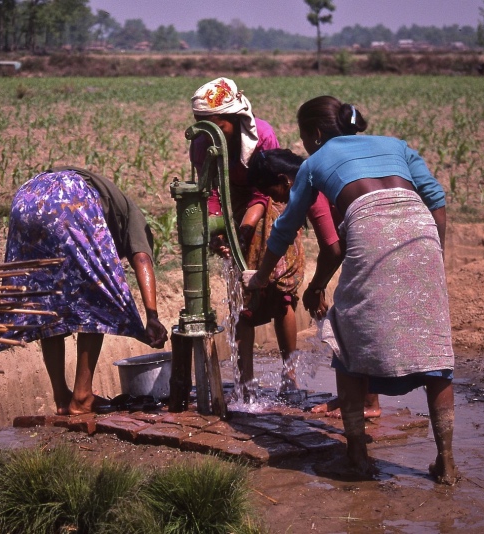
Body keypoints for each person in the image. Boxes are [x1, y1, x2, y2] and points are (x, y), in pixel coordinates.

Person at [244, 96, 458, 485]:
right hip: (422, 231)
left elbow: (286, 226)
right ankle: (446, 463)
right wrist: (434, 256)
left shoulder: (316, 161)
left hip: (371, 228)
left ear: (315, 134)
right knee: (434, 350)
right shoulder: (397, 146)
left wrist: (260, 276)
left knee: (345, 337)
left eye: (305, 138)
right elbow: (437, 200)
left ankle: (357, 457)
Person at [0, 166, 169, 415]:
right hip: (70, 195)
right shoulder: (135, 218)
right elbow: (141, 259)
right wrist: (152, 316)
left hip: (26, 196)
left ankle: (61, 397)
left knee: (46, 301)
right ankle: (82, 396)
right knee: (99, 301)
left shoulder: (109, 204)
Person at [247, 149, 380, 417]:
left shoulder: (310, 188)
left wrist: (316, 288)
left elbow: (332, 250)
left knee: (352, 319)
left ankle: (367, 403)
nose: (275, 200)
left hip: (372, 239)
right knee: (352, 320)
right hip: (373, 231)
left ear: (284, 180)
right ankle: (357, 397)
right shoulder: (312, 177)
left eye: (273, 193)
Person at [189, 77, 300, 396]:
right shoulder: (203, 142)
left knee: (280, 295)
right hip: (231, 204)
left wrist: (244, 232)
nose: (208, 133)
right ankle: (244, 382)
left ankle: (289, 375)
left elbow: (263, 193)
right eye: (201, 125)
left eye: (214, 125)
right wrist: (216, 229)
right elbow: (209, 191)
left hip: (268, 205)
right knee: (242, 299)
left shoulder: (260, 135)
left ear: (234, 119)